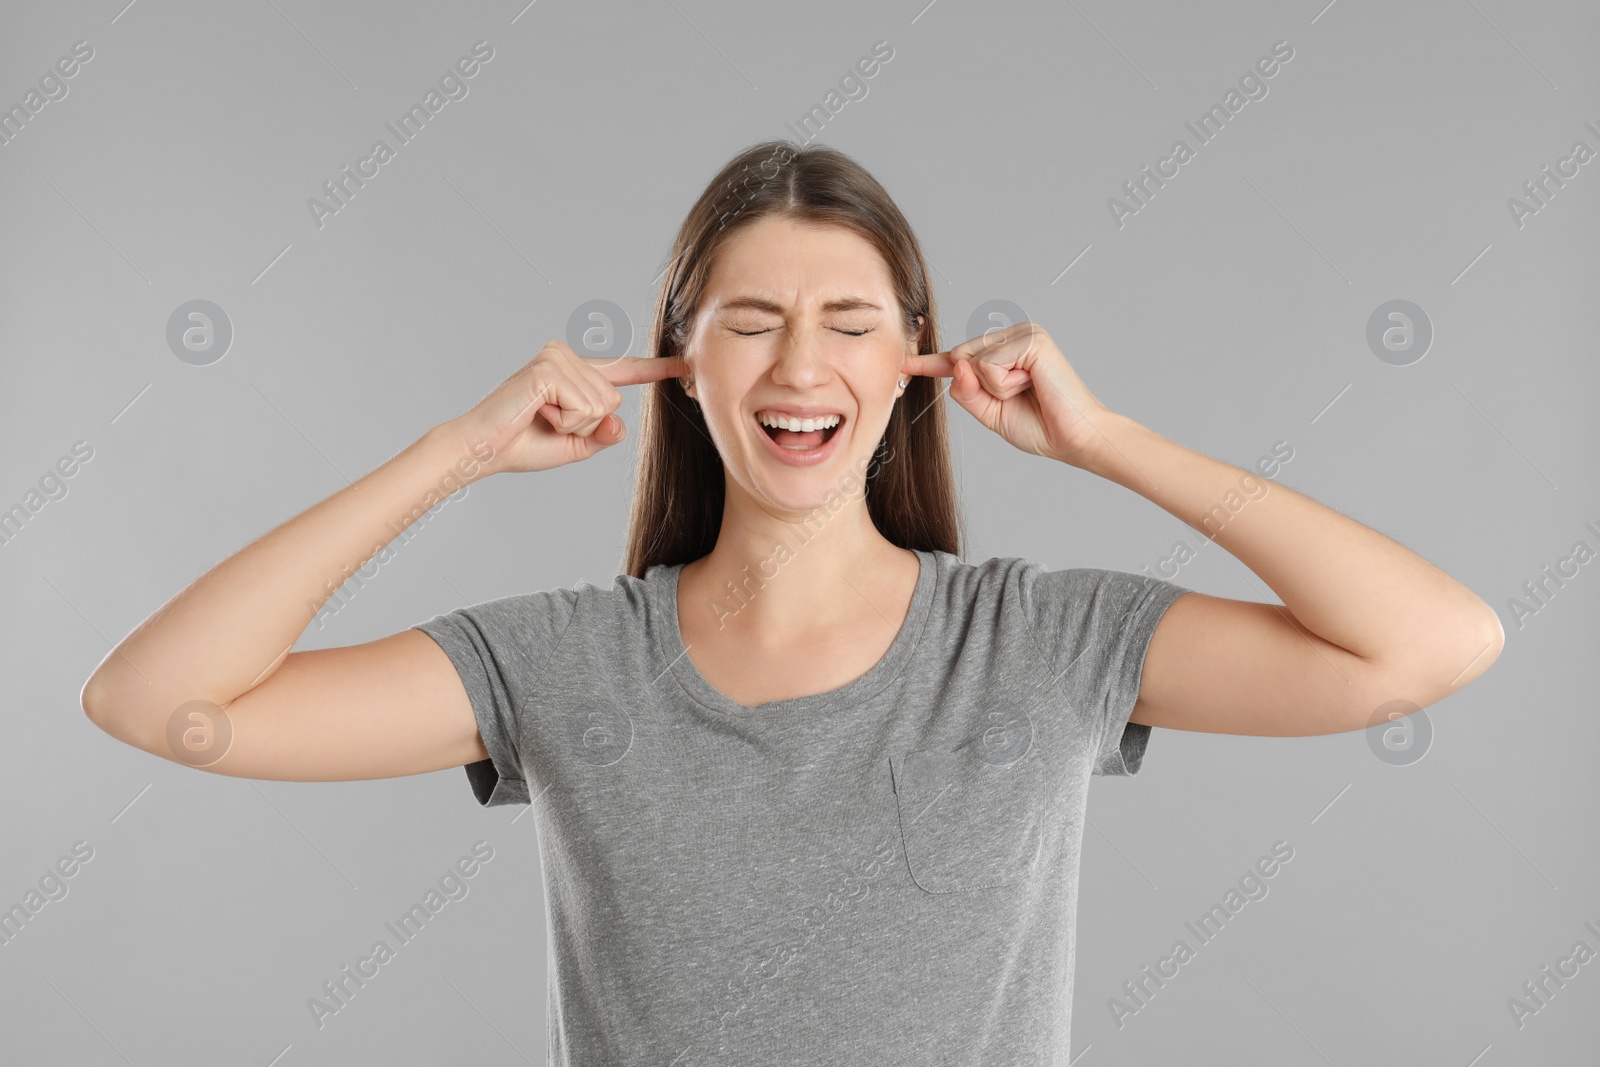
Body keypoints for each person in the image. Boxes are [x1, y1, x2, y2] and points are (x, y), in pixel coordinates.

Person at [81, 140, 1504, 1063]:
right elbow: (159, 704)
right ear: (680, 369)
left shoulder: (1040, 642)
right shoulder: (571, 663)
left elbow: (1431, 643)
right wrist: (453, 455)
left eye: (851, 324)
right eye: (748, 325)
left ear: (918, 368)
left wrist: (1107, 441)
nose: (797, 367)